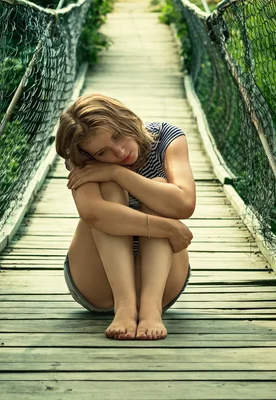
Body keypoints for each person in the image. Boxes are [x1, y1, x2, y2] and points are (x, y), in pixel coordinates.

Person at [55, 93, 196, 340]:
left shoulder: (167, 138)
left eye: (118, 136)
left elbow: (184, 204)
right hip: (99, 283)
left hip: (161, 283)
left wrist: (117, 173)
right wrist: (167, 228)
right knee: (109, 192)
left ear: (126, 119)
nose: (119, 152)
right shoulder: (80, 155)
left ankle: (151, 309)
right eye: (102, 152)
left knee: (158, 186)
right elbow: (94, 214)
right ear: (89, 156)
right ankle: (125, 307)